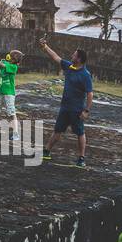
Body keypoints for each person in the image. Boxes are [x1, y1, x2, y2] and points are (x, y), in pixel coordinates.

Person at [39, 39, 94, 167]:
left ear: (79, 59)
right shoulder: (69, 66)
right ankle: (47, 151)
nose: (71, 56)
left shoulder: (85, 75)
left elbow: (90, 93)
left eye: (74, 55)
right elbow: (56, 58)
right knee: (57, 130)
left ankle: (81, 158)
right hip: (65, 108)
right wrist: (45, 47)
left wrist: (86, 110)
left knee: (80, 133)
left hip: (77, 110)